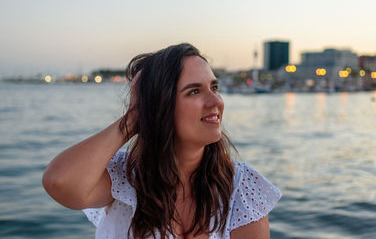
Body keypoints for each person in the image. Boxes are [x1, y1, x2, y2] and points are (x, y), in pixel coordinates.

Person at [42, 43, 281, 239]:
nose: (215, 101)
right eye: (194, 91)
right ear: (161, 105)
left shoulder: (241, 188)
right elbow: (60, 182)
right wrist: (135, 118)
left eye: (214, 87)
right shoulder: (125, 177)